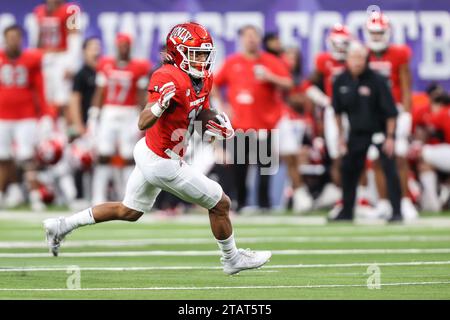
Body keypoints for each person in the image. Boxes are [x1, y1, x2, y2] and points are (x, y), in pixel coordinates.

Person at [43, 22, 271, 275]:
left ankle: (62, 226)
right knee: (220, 203)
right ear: (178, 52)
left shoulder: (205, 77)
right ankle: (231, 259)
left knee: (128, 210)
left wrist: (217, 123)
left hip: (152, 151)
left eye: (204, 54)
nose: (201, 59)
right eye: (195, 53)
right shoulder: (166, 75)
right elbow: (143, 120)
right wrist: (158, 106)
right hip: (163, 160)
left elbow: (200, 112)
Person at [213, 25, 293, 212]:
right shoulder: (233, 62)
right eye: (247, 36)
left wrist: (270, 77)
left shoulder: (270, 61)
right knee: (240, 167)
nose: (251, 40)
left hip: (266, 124)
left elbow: (288, 83)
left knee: (265, 168)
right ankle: (240, 202)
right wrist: (223, 105)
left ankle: (264, 205)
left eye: (254, 36)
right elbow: (214, 84)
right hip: (240, 124)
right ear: (241, 39)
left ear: (259, 39)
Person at [330, 41, 402, 222]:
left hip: (379, 131)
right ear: (346, 59)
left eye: (361, 57)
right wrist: (340, 136)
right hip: (357, 132)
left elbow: (391, 112)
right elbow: (338, 112)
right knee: (348, 169)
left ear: (366, 59)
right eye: (354, 57)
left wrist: (390, 137)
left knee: (389, 169)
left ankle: (397, 211)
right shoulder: (340, 80)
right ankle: (346, 211)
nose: (357, 62)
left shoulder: (377, 80)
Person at [364, 12, 418, 220]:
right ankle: (384, 202)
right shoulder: (364, 53)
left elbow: (406, 86)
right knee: (376, 158)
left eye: (380, 32)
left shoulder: (400, 53)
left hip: (395, 111)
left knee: (399, 156)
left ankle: (404, 201)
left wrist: (406, 113)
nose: (376, 37)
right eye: (373, 33)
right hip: (372, 113)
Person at [89, 33, 151, 204]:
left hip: (129, 113)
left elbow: (141, 95)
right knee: (103, 154)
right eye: (121, 45)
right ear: (116, 46)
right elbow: (100, 91)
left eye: (126, 45)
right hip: (109, 112)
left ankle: (128, 196)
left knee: (128, 156)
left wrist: (142, 116)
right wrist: (94, 114)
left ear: (130, 47)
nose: (123, 48)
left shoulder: (139, 67)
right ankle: (98, 196)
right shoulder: (105, 64)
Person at [0, 25, 53, 211]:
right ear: (5, 39)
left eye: (16, 37)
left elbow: (40, 88)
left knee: (26, 156)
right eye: (10, 37)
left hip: (26, 115)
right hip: (2, 115)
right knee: (3, 156)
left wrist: (46, 114)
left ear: (21, 39)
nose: (13, 41)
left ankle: (34, 195)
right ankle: (7, 191)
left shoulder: (31, 59)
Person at [67, 37, 101, 202]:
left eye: (97, 47)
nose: (96, 51)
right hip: (86, 122)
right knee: (81, 159)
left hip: (101, 123)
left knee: (100, 160)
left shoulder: (103, 71)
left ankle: (96, 195)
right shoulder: (82, 73)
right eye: (92, 47)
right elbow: (75, 99)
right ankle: (79, 195)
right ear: (84, 51)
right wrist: (79, 123)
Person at [33, 0, 82, 116]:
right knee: (46, 96)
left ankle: (66, 128)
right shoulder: (39, 11)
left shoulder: (70, 11)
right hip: (44, 58)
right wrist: (36, 58)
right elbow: (37, 39)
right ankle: (49, 128)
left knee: (63, 97)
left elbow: (74, 38)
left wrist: (72, 65)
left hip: (62, 57)